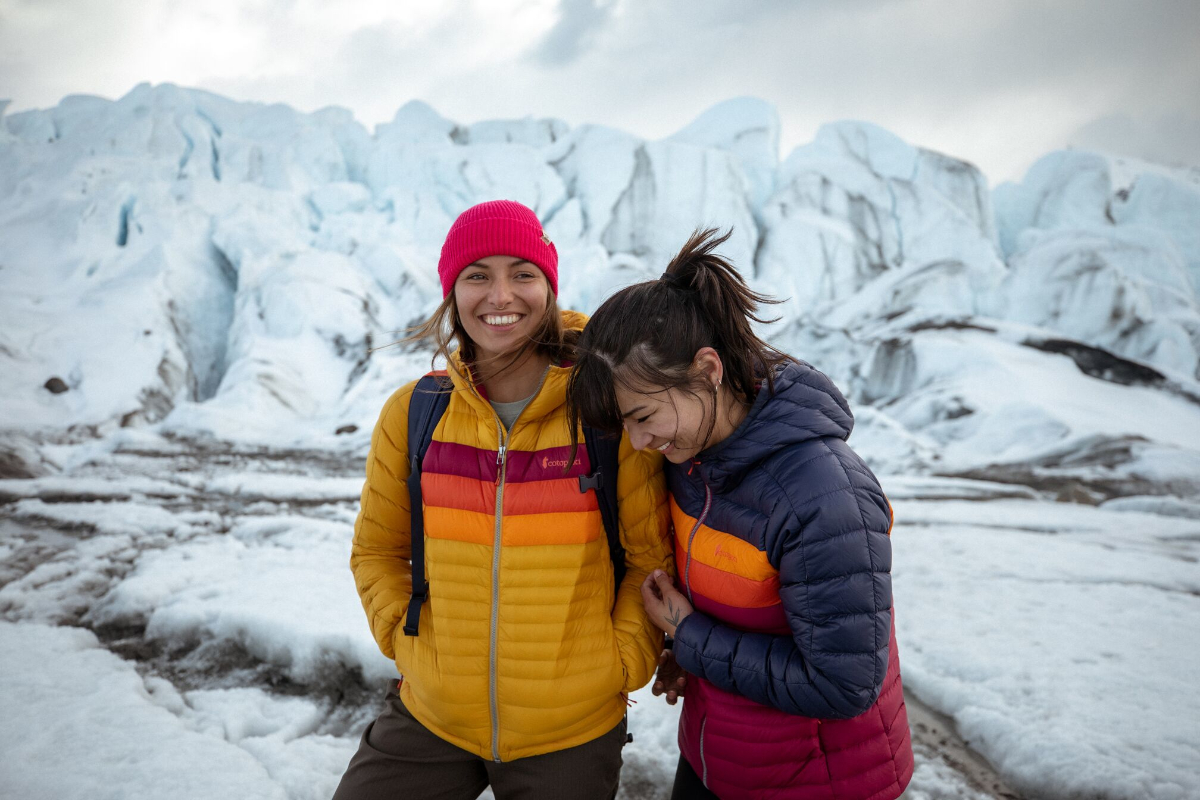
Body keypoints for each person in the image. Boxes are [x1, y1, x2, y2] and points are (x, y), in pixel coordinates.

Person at [336, 200, 673, 800]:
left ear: (548, 285)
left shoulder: (602, 411)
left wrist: (618, 664)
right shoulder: (415, 414)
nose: (501, 295)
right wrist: (405, 641)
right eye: (477, 275)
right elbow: (376, 552)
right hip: (431, 717)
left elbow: (649, 559)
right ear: (452, 292)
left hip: (570, 730)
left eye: (522, 273)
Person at [565, 229, 914, 800]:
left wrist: (689, 634)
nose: (637, 440)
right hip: (714, 760)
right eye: (624, 424)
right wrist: (687, 655)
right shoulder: (692, 458)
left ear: (708, 370)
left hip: (819, 783)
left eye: (644, 415)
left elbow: (842, 683)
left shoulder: (826, 496)